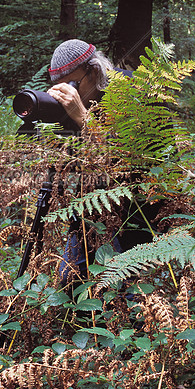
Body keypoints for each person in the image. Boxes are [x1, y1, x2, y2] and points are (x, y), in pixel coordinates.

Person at [45, 39, 162, 289]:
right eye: (61, 88)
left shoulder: (136, 92)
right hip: (93, 209)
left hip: (139, 212)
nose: (70, 94)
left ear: (95, 71)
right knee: (69, 280)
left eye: (73, 84)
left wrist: (84, 119)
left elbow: (138, 162)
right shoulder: (77, 102)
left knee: (130, 291)